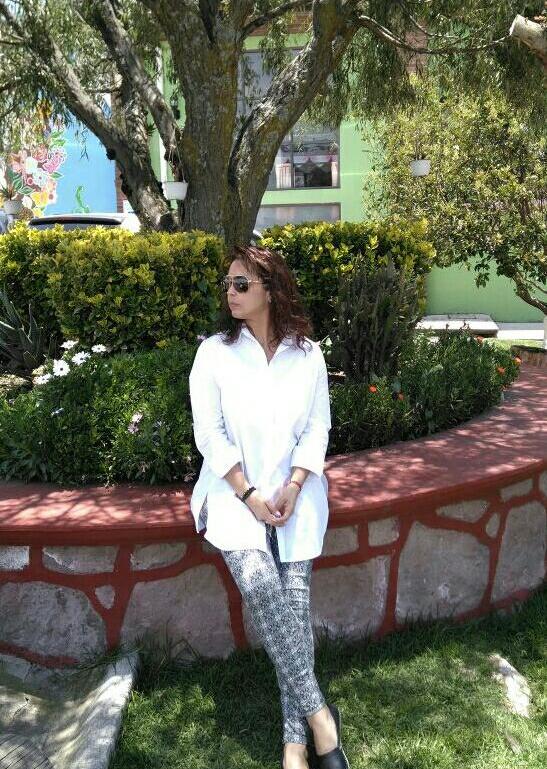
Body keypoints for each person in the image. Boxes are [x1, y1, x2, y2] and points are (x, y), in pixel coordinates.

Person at [188, 245, 350, 769]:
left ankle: (293, 744)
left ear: (271, 289)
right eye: (228, 284)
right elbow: (209, 435)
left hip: (295, 496)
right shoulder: (214, 354)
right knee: (262, 588)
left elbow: (318, 428)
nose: (230, 293)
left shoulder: (308, 355)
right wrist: (249, 495)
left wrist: (296, 485)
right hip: (232, 495)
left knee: (293, 609)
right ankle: (321, 719)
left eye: (241, 284)